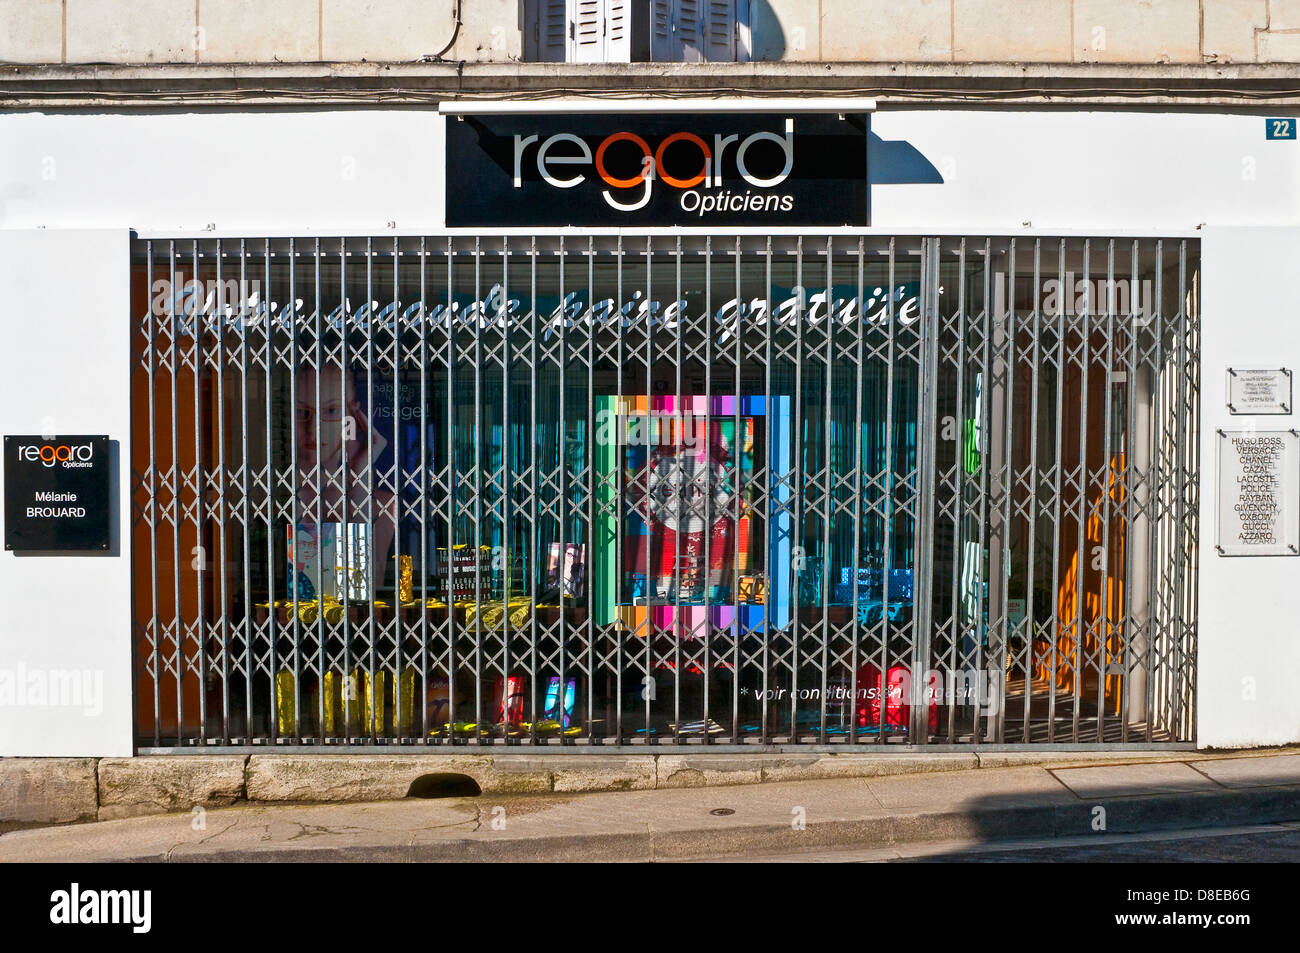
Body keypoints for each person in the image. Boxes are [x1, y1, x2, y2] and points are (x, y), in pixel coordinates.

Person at [291, 362, 396, 598]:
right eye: (302, 413)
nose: (314, 429)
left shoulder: (382, 505)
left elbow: (364, 591)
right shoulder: (276, 497)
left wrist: (359, 484)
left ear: (353, 416)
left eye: (330, 411)